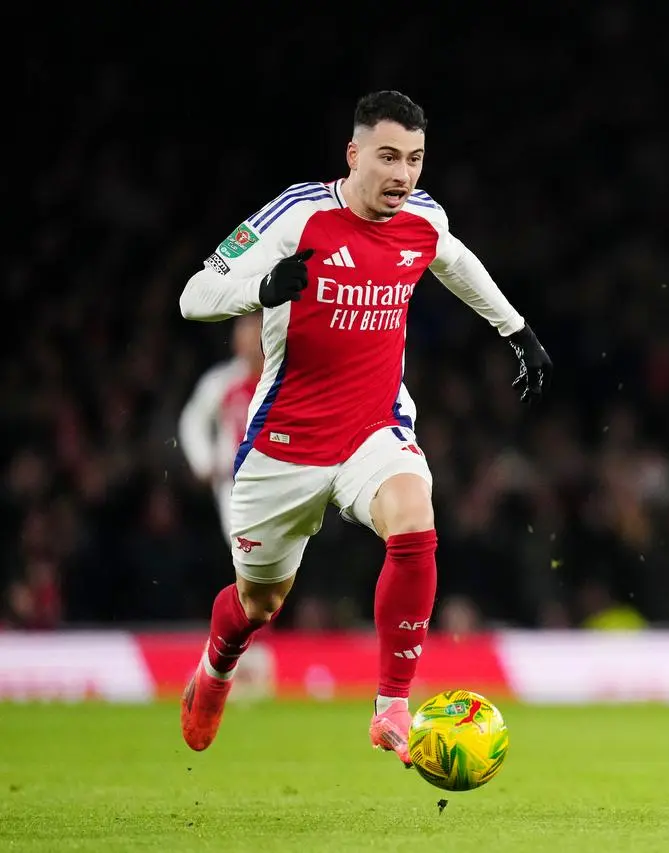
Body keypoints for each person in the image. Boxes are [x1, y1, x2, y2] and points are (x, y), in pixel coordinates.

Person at [176, 90, 552, 764]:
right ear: (353, 155)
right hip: (283, 444)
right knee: (259, 604)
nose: (402, 175)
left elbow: (454, 258)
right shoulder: (297, 215)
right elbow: (194, 295)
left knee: (414, 515)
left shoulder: (422, 216)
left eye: (414, 159)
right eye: (387, 157)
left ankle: (391, 706)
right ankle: (217, 664)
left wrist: (515, 328)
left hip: (372, 428)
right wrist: (259, 290)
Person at [178, 313, 264, 535]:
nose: (256, 342)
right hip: (235, 481)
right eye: (248, 334)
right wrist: (205, 462)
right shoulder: (223, 381)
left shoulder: (285, 379)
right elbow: (192, 421)